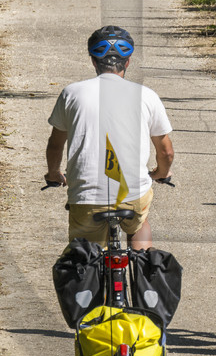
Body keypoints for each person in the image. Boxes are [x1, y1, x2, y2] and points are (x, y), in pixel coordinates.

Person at [45, 25, 174, 249]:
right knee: (139, 224)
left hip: (87, 198)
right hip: (132, 195)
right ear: (128, 61)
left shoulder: (71, 93)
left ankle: (87, 279)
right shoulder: (147, 95)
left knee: (85, 256)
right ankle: (144, 270)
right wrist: (160, 173)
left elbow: (55, 145)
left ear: (94, 61)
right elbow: (166, 152)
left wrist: (54, 173)